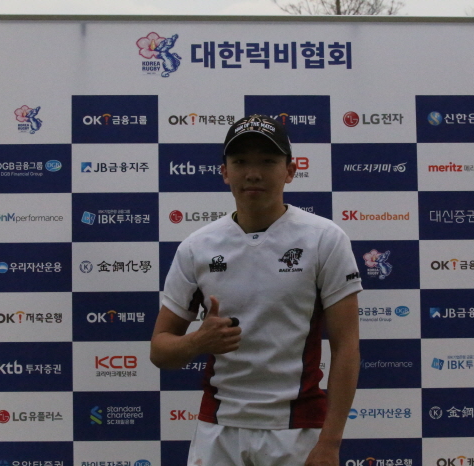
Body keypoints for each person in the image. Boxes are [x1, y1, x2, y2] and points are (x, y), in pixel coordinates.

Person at [151, 114, 362, 466]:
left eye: (267, 161)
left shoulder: (324, 239)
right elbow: (160, 350)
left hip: (296, 431)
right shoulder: (197, 246)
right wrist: (198, 341)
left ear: (290, 171)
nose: (253, 173)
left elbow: (346, 347)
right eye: (240, 162)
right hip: (218, 431)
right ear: (225, 172)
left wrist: (330, 443)